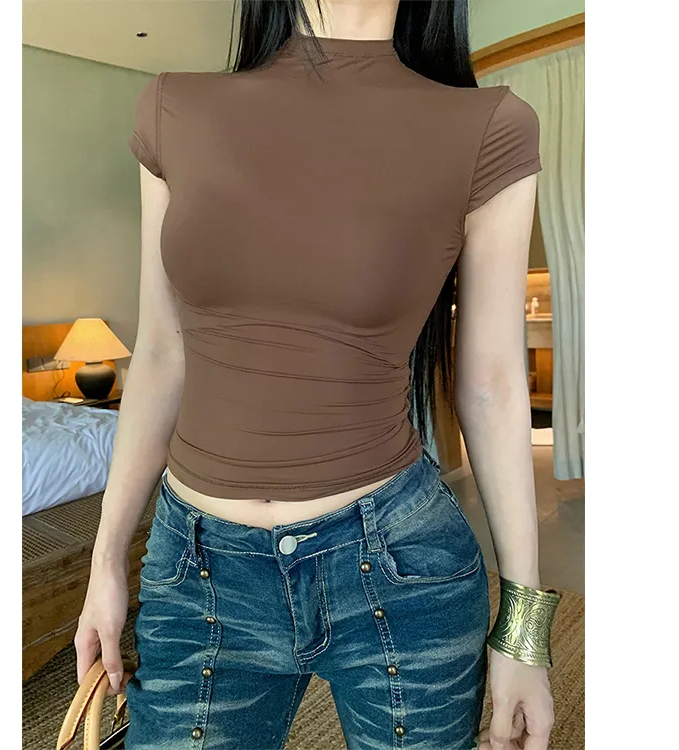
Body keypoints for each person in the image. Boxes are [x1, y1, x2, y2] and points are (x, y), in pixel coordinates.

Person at [75, 1, 561, 748]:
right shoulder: (174, 110)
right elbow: (163, 354)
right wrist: (106, 561)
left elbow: (491, 383)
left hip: (396, 568)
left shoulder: (489, 126)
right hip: (196, 575)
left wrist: (523, 631)